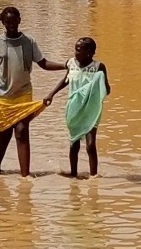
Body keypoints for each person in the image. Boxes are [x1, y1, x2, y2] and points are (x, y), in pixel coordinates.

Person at [0, 6, 65, 177]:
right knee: (5, 133)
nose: (11, 25)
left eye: (14, 22)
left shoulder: (29, 42)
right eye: (7, 22)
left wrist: (65, 65)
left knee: (22, 131)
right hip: (2, 95)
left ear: (19, 21)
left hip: (23, 93)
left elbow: (43, 63)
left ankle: (25, 176)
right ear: (3, 23)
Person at [44, 37, 111, 177]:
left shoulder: (99, 67)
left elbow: (107, 90)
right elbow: (66, 80)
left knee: (90, 145)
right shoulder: (71, 64)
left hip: (91, 110)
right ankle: (73, 174)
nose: (75, 53)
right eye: (75, 49)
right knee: (74, 143)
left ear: (89, 52)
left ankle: (94, 177)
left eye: (79, 50)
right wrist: (51, 94)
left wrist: (99, 81)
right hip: (74, 108)